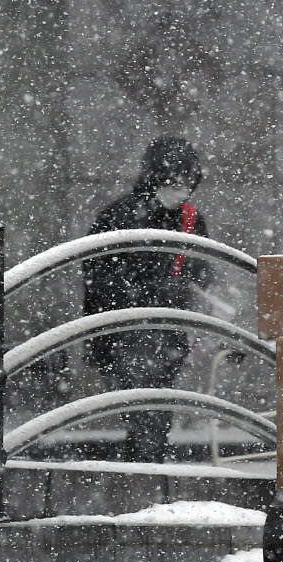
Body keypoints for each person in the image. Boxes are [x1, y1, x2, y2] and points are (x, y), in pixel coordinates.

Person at [83, 137, 212, 463]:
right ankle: (146, 464)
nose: (179, 189)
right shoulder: (119, 218)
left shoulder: (192, 221)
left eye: (186, 183)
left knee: (153, 406)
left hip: (168, 330)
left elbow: (203, 271)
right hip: (125, 329)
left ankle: (144, 465)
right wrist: (147, 292)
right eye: (172, 181)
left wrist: (187, 288)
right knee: (145, 406)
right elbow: (99, 278)